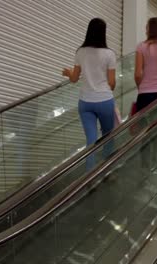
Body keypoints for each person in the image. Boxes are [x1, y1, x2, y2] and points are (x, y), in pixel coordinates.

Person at [63, 18, 116, 169]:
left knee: (91, 140)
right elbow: (112, 84)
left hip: (85, 102)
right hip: (104, 101)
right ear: (103, 33)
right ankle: (107, 170)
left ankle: (89, 175)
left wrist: (68, 73)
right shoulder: (109, 54)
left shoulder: (80, 52)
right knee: (107, 136)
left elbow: (74, 79)